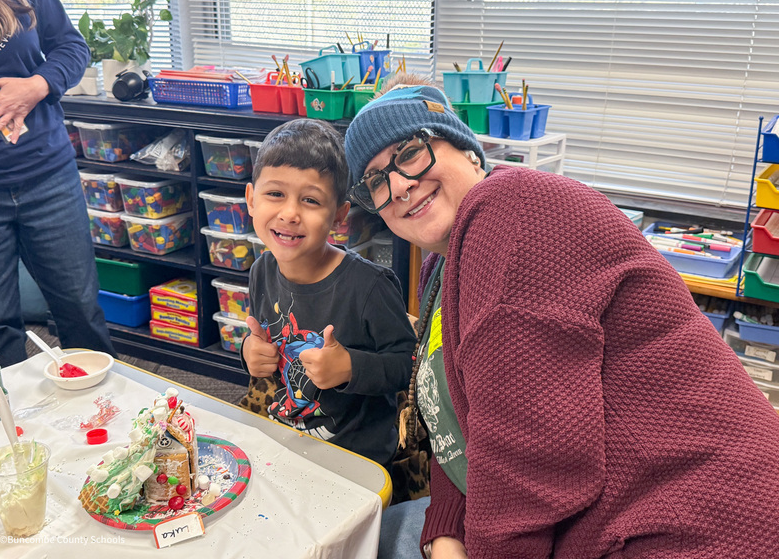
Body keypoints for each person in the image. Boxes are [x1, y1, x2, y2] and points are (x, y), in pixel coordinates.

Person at [345, 75, 779, 558]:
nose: (398, 186)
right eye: (376, 181)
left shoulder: (510, 209)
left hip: (698, 524)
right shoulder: (439, 271)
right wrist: (445, 532)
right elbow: (454, 425)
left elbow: (530, 457)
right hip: (585, 521)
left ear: (468, 151)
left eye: (409, 153)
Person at [240, 118, 416, 469]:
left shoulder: (370, 286)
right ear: (251, 200)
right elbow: (265, 338)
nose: (290, 213)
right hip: (286, 434)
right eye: (275, 194)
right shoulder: (262, 270)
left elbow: (408, 366)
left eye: (310, 200)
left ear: (339, 216)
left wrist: (350, 367)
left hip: (357, 454)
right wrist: (248, 351)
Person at [0, 0, 116, 365]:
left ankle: (100, 404)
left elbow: (72, 47)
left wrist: (36, 86)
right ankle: (9, 409)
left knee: (80, 312)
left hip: (48, 176)